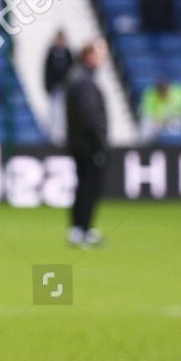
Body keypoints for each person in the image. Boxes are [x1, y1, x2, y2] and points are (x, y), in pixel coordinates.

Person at [64, 40, 109, 247]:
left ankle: (78, 229)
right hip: (89, 146)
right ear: (89, 56)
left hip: (79, 144)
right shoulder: (84, 81)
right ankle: (84, 229)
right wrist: (99, 144)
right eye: (100, 53)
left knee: (82, 186)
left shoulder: (77, 77)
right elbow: (89, 117)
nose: (103, 57)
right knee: (89, 188)